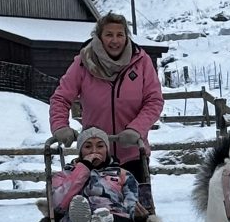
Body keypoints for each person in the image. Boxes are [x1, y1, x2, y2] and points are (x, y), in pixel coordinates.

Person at [49, 12, 163, 180]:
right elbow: (61, 98)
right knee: (97, 203)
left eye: (120, 34)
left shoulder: (141, 62)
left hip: (133, 153)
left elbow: (154, 101)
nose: (115, 40)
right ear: (99, 37)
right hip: (95, 156)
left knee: (136, 204)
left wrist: (136, 129)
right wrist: (60, 126)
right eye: (109, 34)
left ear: (127, 37)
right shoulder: (84, 62)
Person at [52, 127, 149, 222]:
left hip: (115, 217)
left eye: (100, 146)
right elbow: (58, 204)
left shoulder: (122, 174)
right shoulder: (65, 175)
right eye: (88, 146)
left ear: (107, 150)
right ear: (80, 151)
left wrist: (136, 214)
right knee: (79, 216)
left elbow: (132, 201)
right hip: (78, 219)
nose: (94, 151)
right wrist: (84, 168)